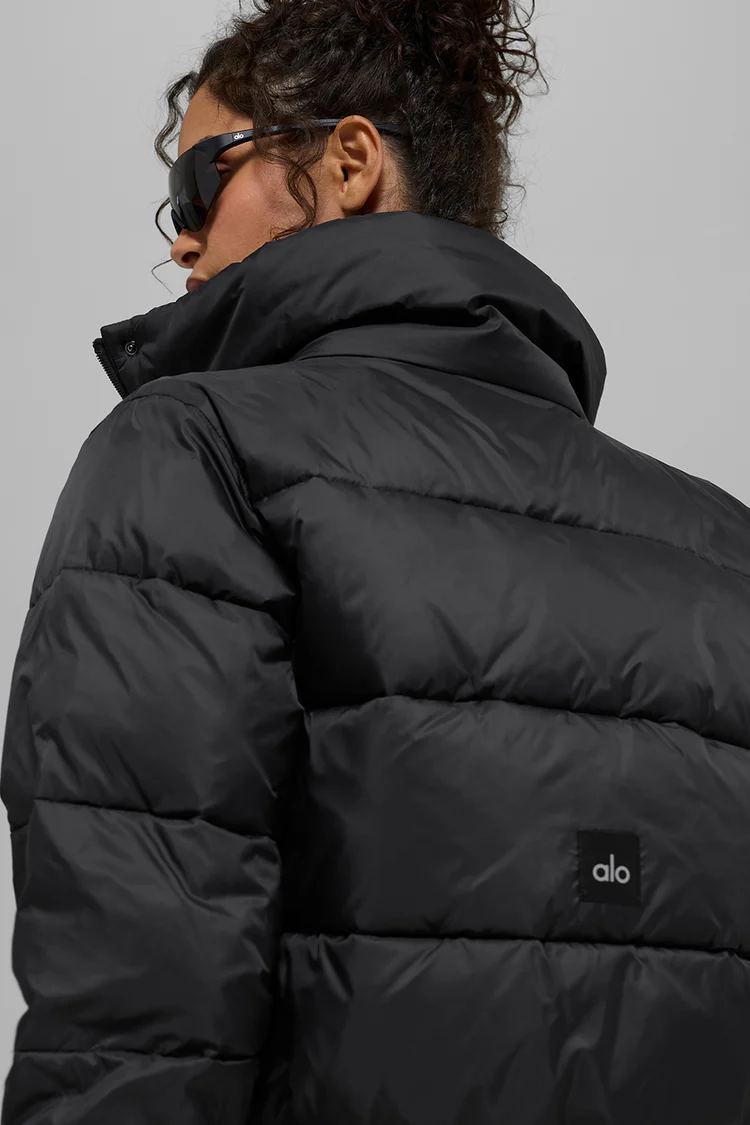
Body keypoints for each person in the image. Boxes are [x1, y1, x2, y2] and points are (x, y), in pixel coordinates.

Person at [2, 1, 749, 1123]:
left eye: (202, 183)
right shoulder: (722, 547)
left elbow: (134, 1030)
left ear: (350, 163)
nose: (182, 240)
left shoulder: (200, 454)